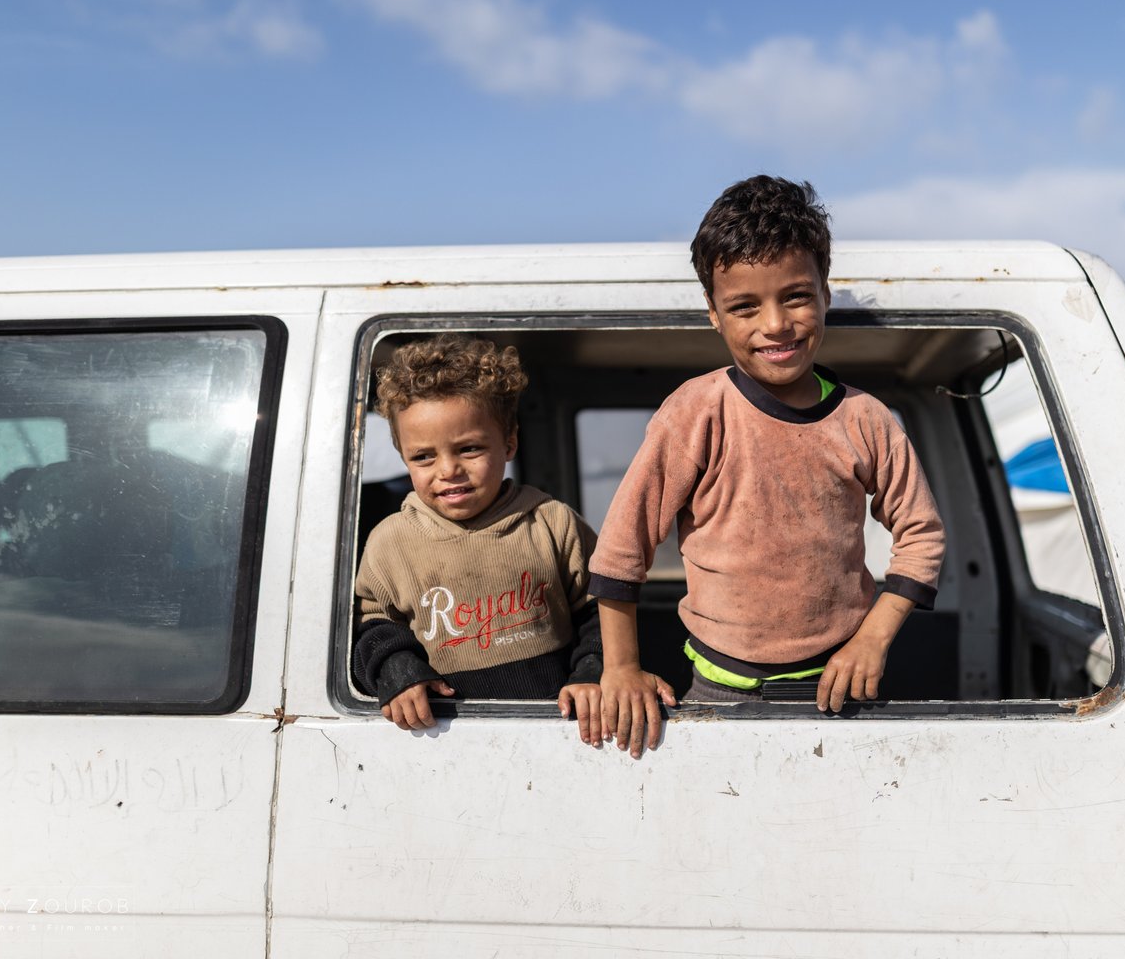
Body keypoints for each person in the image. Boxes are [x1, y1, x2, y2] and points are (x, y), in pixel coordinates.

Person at [588, 175, 946, 757]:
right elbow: (622, 548)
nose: (775, 324)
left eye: (796, 296)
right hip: (720, 691)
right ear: (714, 314)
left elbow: (922, 535)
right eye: (745, 306)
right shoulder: (696, 412)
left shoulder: (866, 419)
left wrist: (873, 640)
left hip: (845, 686)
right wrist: (622, 668)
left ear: (826, 293)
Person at [352, 333, 604, 743]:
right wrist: (396, 669)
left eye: (468, 449)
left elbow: (602, 611)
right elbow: (371, 623)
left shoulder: (552, 522)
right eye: (424, 456)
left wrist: (593, 672)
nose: (448, 470)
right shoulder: (389, 543)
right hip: (445, 738)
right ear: (404, 458)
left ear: (509, 443)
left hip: (561, 732)